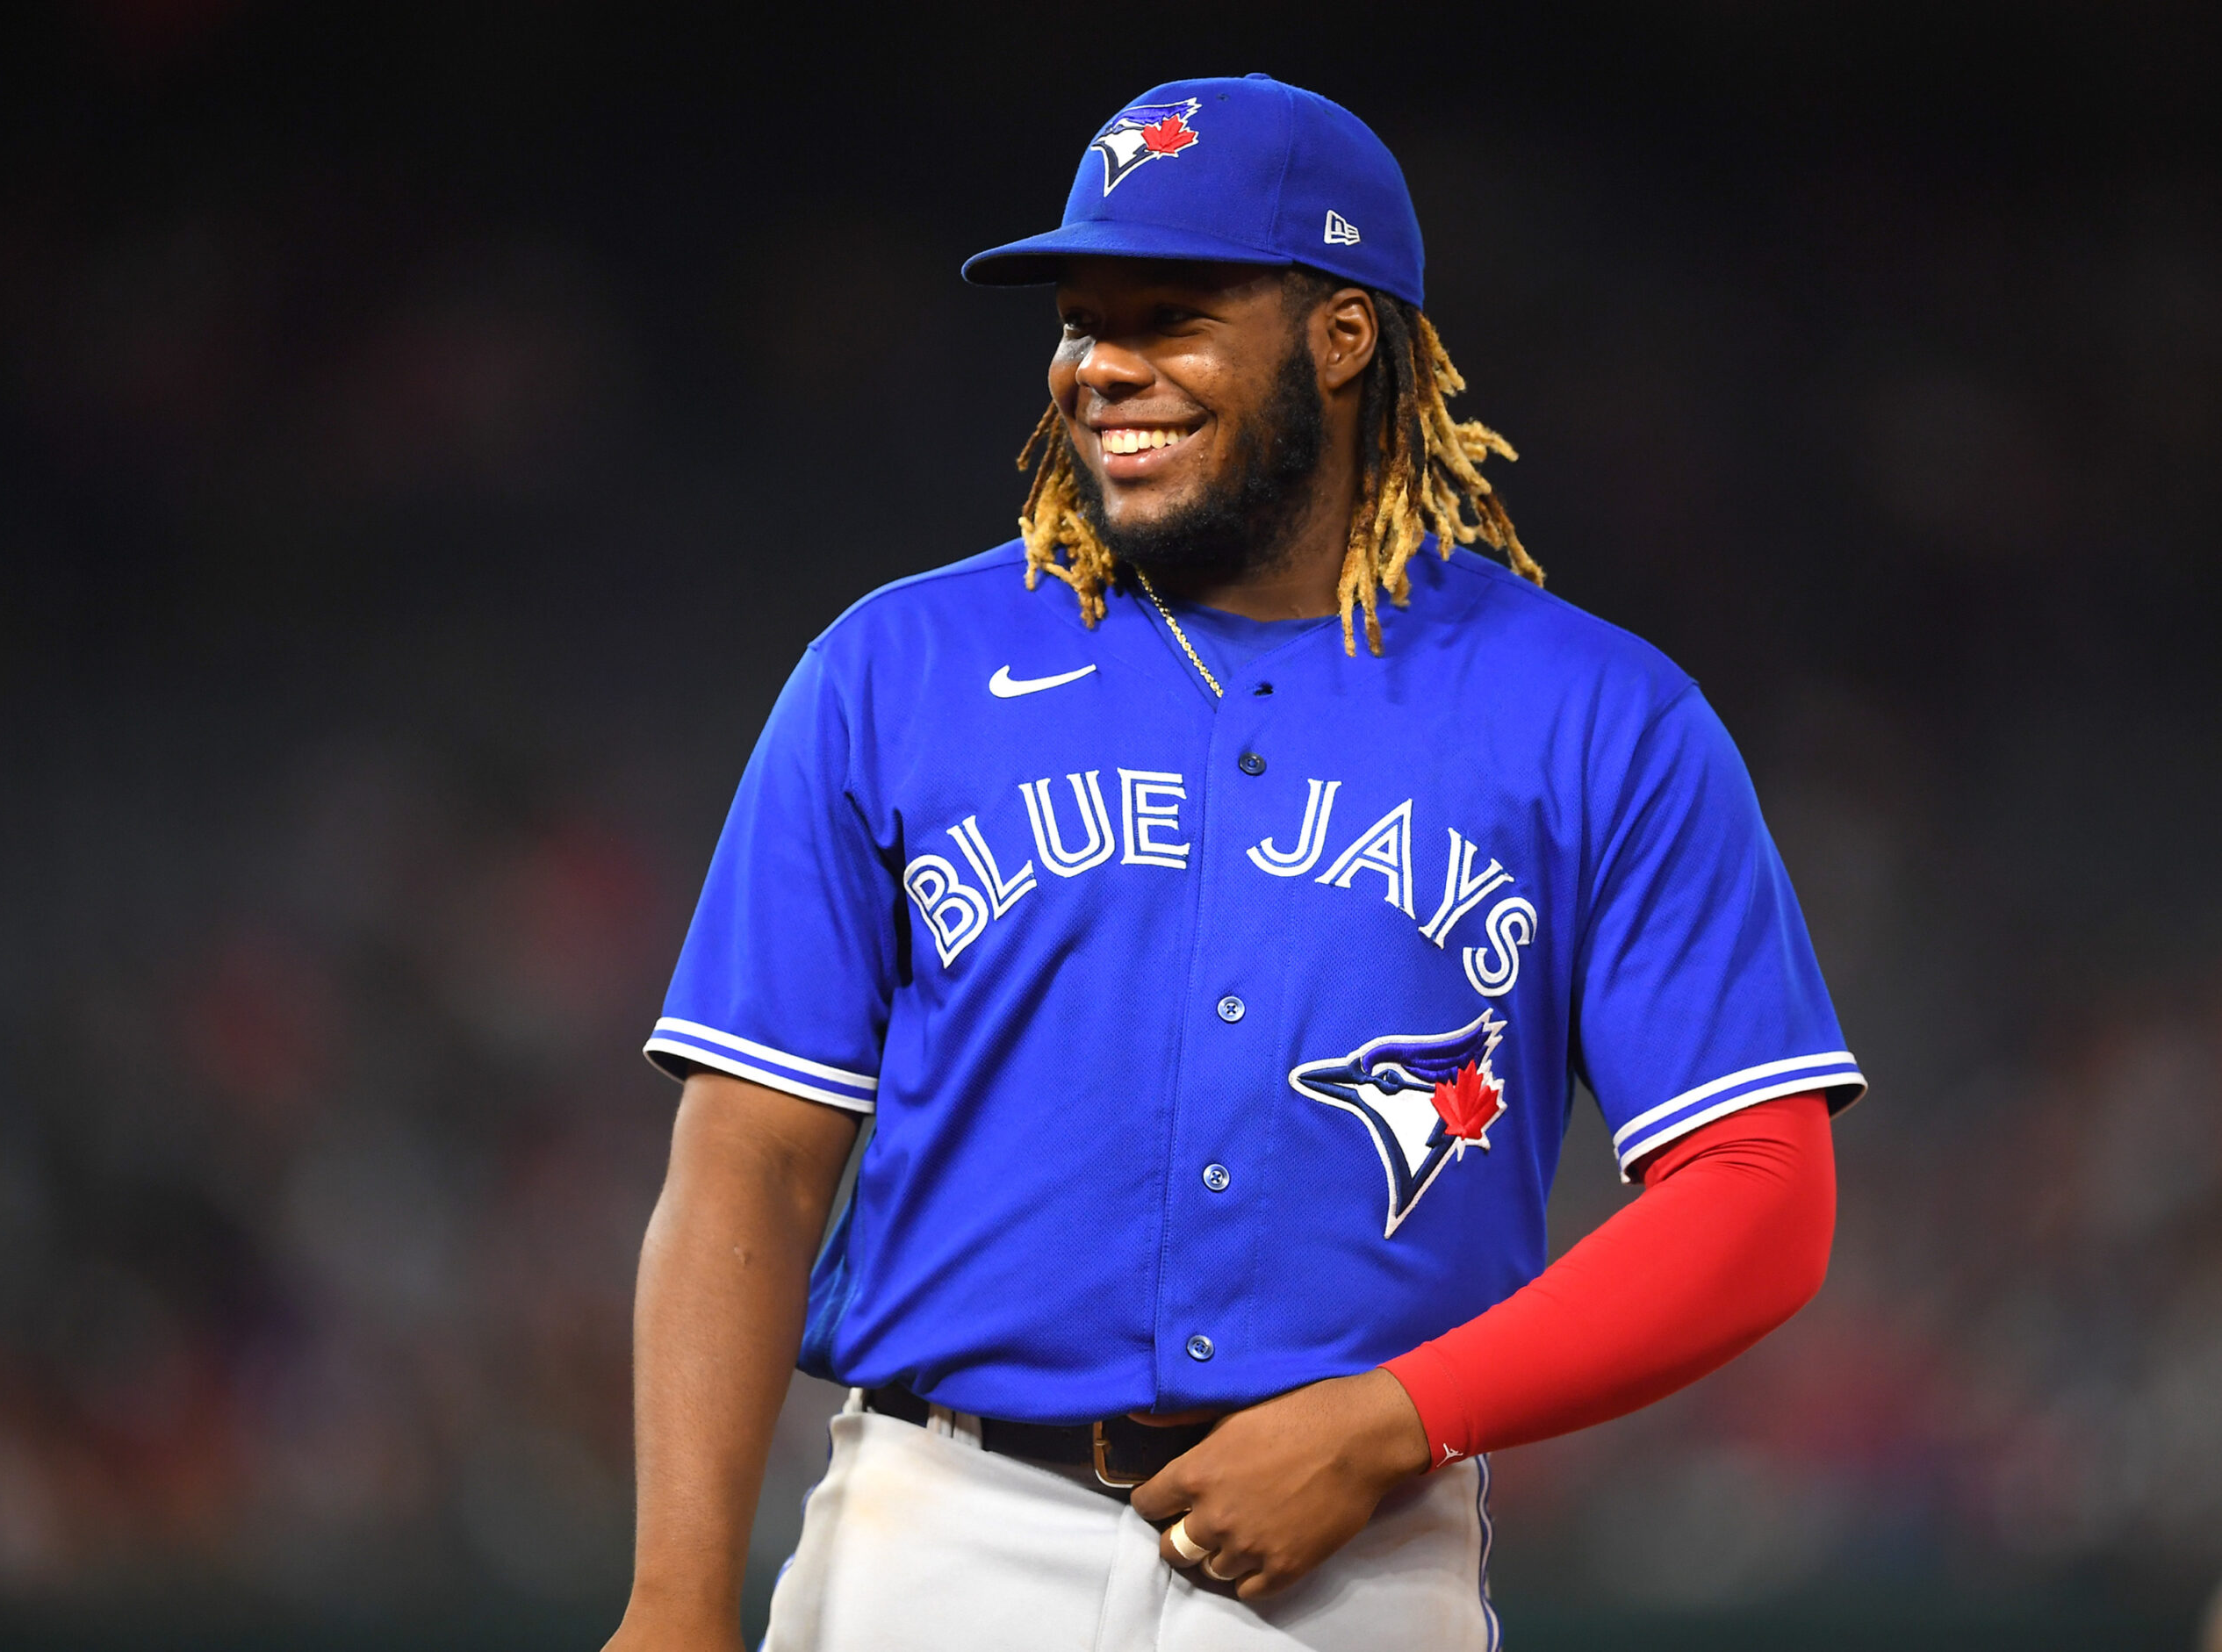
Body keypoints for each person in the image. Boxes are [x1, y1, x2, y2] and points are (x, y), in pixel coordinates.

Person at [605, 74, 1862, 1652]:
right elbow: (750, 1158)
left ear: (1342, 335)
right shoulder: (894, 669)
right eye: (1081, 320)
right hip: (936, 1530)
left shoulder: (1595, 713)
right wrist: (674, 1598)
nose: (1102, 367)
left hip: (1352, 1555)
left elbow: (1759, 1189)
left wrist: (1402, 1417)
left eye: (1173, 315)